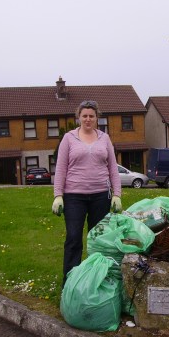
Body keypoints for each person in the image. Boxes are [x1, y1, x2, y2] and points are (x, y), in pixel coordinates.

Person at [52, 100, 122, 286]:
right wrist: (58, 195)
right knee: (74, 238)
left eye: (91, 116)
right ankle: (70, 283)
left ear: (97, 118)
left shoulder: (104, 139)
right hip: (74, 196)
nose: (88, 119)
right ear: (79, 117)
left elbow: (113, 168)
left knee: (98, 241)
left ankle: (96, 280)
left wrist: (117, 194)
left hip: (101, 196)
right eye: (85, 116)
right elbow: (60, 168)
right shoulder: (68, 138)